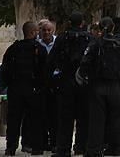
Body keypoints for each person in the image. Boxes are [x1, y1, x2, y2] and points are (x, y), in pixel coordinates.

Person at [80, 17, 120, 157]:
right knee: (118, 118)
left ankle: (94, 150)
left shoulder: (95, 44)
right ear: (113, 28)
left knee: (97, 119)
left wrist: (86, 78)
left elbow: (85, 63)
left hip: (98, 86)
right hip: (116, 86)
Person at [49, 13, 92, 157]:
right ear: (83, 22)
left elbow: (52, 60)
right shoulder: (89, 38)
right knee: (83, 117)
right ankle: (81, 146)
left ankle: (63, 149)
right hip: (84, 82)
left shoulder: (62, 38)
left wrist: (53, 79)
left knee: (65, 118)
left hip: (66, 81)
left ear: (69, 22)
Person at [2, 21, 47, 157]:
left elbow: (5, 69)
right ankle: (36, 148)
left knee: (14, 119)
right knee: (36, 119)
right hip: (33, 89)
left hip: (15, 89)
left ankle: (10, 148)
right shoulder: (39, 49)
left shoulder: (13, 48)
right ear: (33, 32)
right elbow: (45, 71)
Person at [36, 20, 57, 153]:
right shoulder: (36, 45)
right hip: (41, 84)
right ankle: (43, 142)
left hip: (56, 83)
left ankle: (55, 141)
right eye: (44, 30)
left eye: (49, 30)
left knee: (56, 115)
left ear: (53, 31)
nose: (46, 32)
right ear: (40, 31)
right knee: (42, 115)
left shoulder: (59, 43)